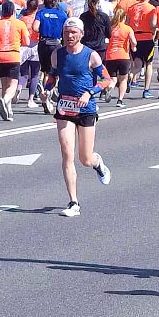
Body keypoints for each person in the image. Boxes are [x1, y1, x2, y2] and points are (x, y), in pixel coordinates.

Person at [42, 18, 112, 218]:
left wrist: (89, 93)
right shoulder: (57, 54)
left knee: (85, 158)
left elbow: (107, 80)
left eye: (73, 33)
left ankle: (98, 164)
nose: (69, 36)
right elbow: (53, 76)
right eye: (66, 33)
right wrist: (47, 90)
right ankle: (74, 202)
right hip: (64, 108)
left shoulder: (91, 56)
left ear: (81, 34)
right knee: (66, 153)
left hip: (86, 109)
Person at [0, 1, 29, 120]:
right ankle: (5, 100)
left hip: (0, 55)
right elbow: (26, 42)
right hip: (13, 55)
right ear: (13, 11)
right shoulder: (19, 23)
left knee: (4, 84)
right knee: (13, 84)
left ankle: (8, 110)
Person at [103, 7, 136, 107]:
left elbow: (105, 41)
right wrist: (133, 47)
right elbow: (133, 42)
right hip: (123, 56)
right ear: (124, 17)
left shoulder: (110, 28)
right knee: (123, 79)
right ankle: (120, 100)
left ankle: (109, 88)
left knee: (113, 79)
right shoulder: (127, 28)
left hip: (110, 56)